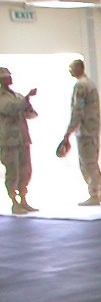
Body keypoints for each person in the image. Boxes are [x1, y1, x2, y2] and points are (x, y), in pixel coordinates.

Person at [59, 59, 101, 206]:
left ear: (79, 68)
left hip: (85, 130)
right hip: (92, 129)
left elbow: (77, 111)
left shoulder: (80, 85)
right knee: (92, 161)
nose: (70, 71)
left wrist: (68, 133)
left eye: (71, 68)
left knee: (87, 164)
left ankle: (94, 194)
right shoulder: (90, 84)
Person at [0, 66, 38, 215]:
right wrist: (26, 99)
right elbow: (10, 109)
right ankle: (14, 201)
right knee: (13, 172)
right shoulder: (2, 97)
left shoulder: (16, 95)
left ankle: (23, 198)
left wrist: (27, 106)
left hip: (22, 139)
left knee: (26, 170)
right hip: (8, 141)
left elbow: (30, 113)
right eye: (6, 77)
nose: (10, 78)